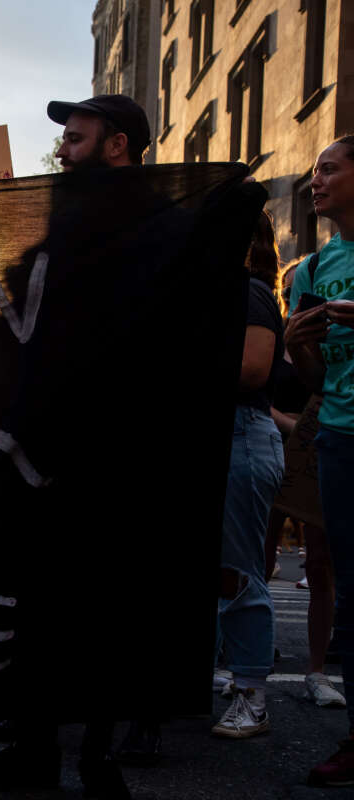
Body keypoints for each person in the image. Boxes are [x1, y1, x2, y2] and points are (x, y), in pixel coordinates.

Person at [0, 94, 153, 799]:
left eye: (75, 139)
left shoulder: (158, 224)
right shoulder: (61, 219)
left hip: (114, 450)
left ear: (117, 146)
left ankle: (99, 757)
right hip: (40, 446)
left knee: (102, 605)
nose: (63, 150)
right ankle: (35, 751)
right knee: (36, 599)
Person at [286, 135, 354, 786]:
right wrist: (294, 341)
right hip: (336, 437)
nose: (316, 181)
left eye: (329, 168)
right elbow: (309, 376)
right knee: (351, 591)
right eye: (313, 172)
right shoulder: (310, 270)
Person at [209, 209, 284, 738]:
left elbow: (254, 369)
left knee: (238, 570)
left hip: (241, 433)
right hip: (223, 437)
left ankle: (253, 696)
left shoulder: (249, 291)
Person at [262, 258, 345, 710]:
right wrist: (291, 427)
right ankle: (253, 656)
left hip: (311, 459)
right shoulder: (273, 339)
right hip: (279, 453)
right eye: (294, 290)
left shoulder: (331, 345)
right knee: (261, 557)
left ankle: (316, 669)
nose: (302, 298)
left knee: (320, 562)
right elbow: (258, 398)